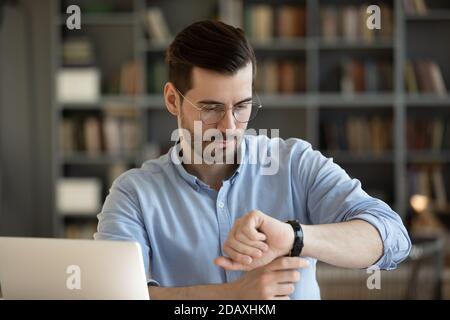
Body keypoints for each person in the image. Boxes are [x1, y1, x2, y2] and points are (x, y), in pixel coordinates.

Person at [94, 20, 411, 300]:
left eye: (242, 106)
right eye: (211, 107)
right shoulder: (133, 194)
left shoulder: (294, 164)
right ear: (172, 100)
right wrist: (229, 297)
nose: (229, 126)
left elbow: (392, 237)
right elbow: (110, 293)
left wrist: (294, 236)